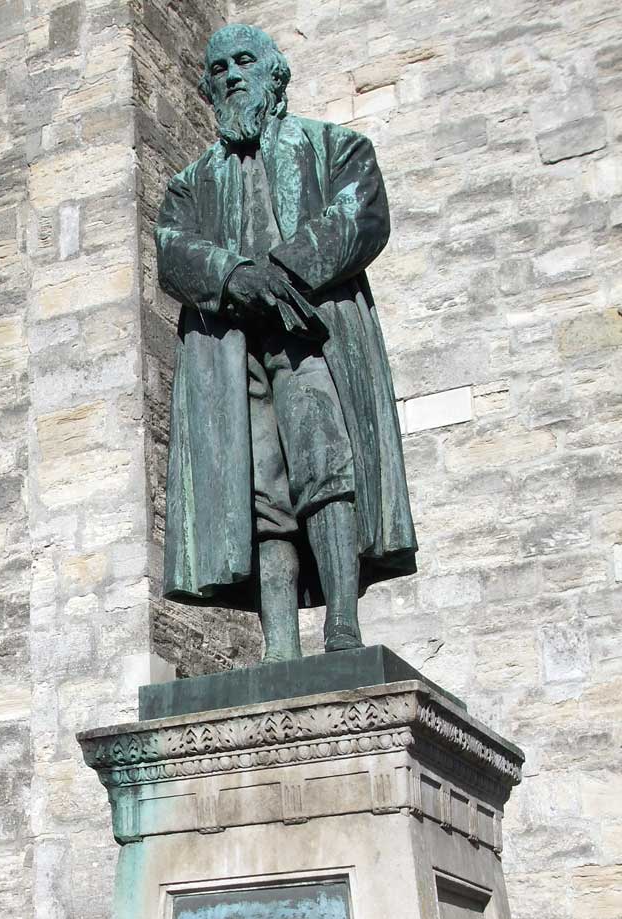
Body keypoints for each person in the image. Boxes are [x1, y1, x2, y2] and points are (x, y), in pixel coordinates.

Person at [156, 24, 417, 661]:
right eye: (217, 69)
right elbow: (172, 249)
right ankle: (279, 649)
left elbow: (360, 214)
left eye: (245, 62)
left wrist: (282, 270)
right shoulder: (191, 184)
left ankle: (342, 629)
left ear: (277, 76)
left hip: (309, 336)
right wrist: (232, 275)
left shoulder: (336, 148)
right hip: (230, 350)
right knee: (261, 492)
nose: (231, 76)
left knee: (325, 465)